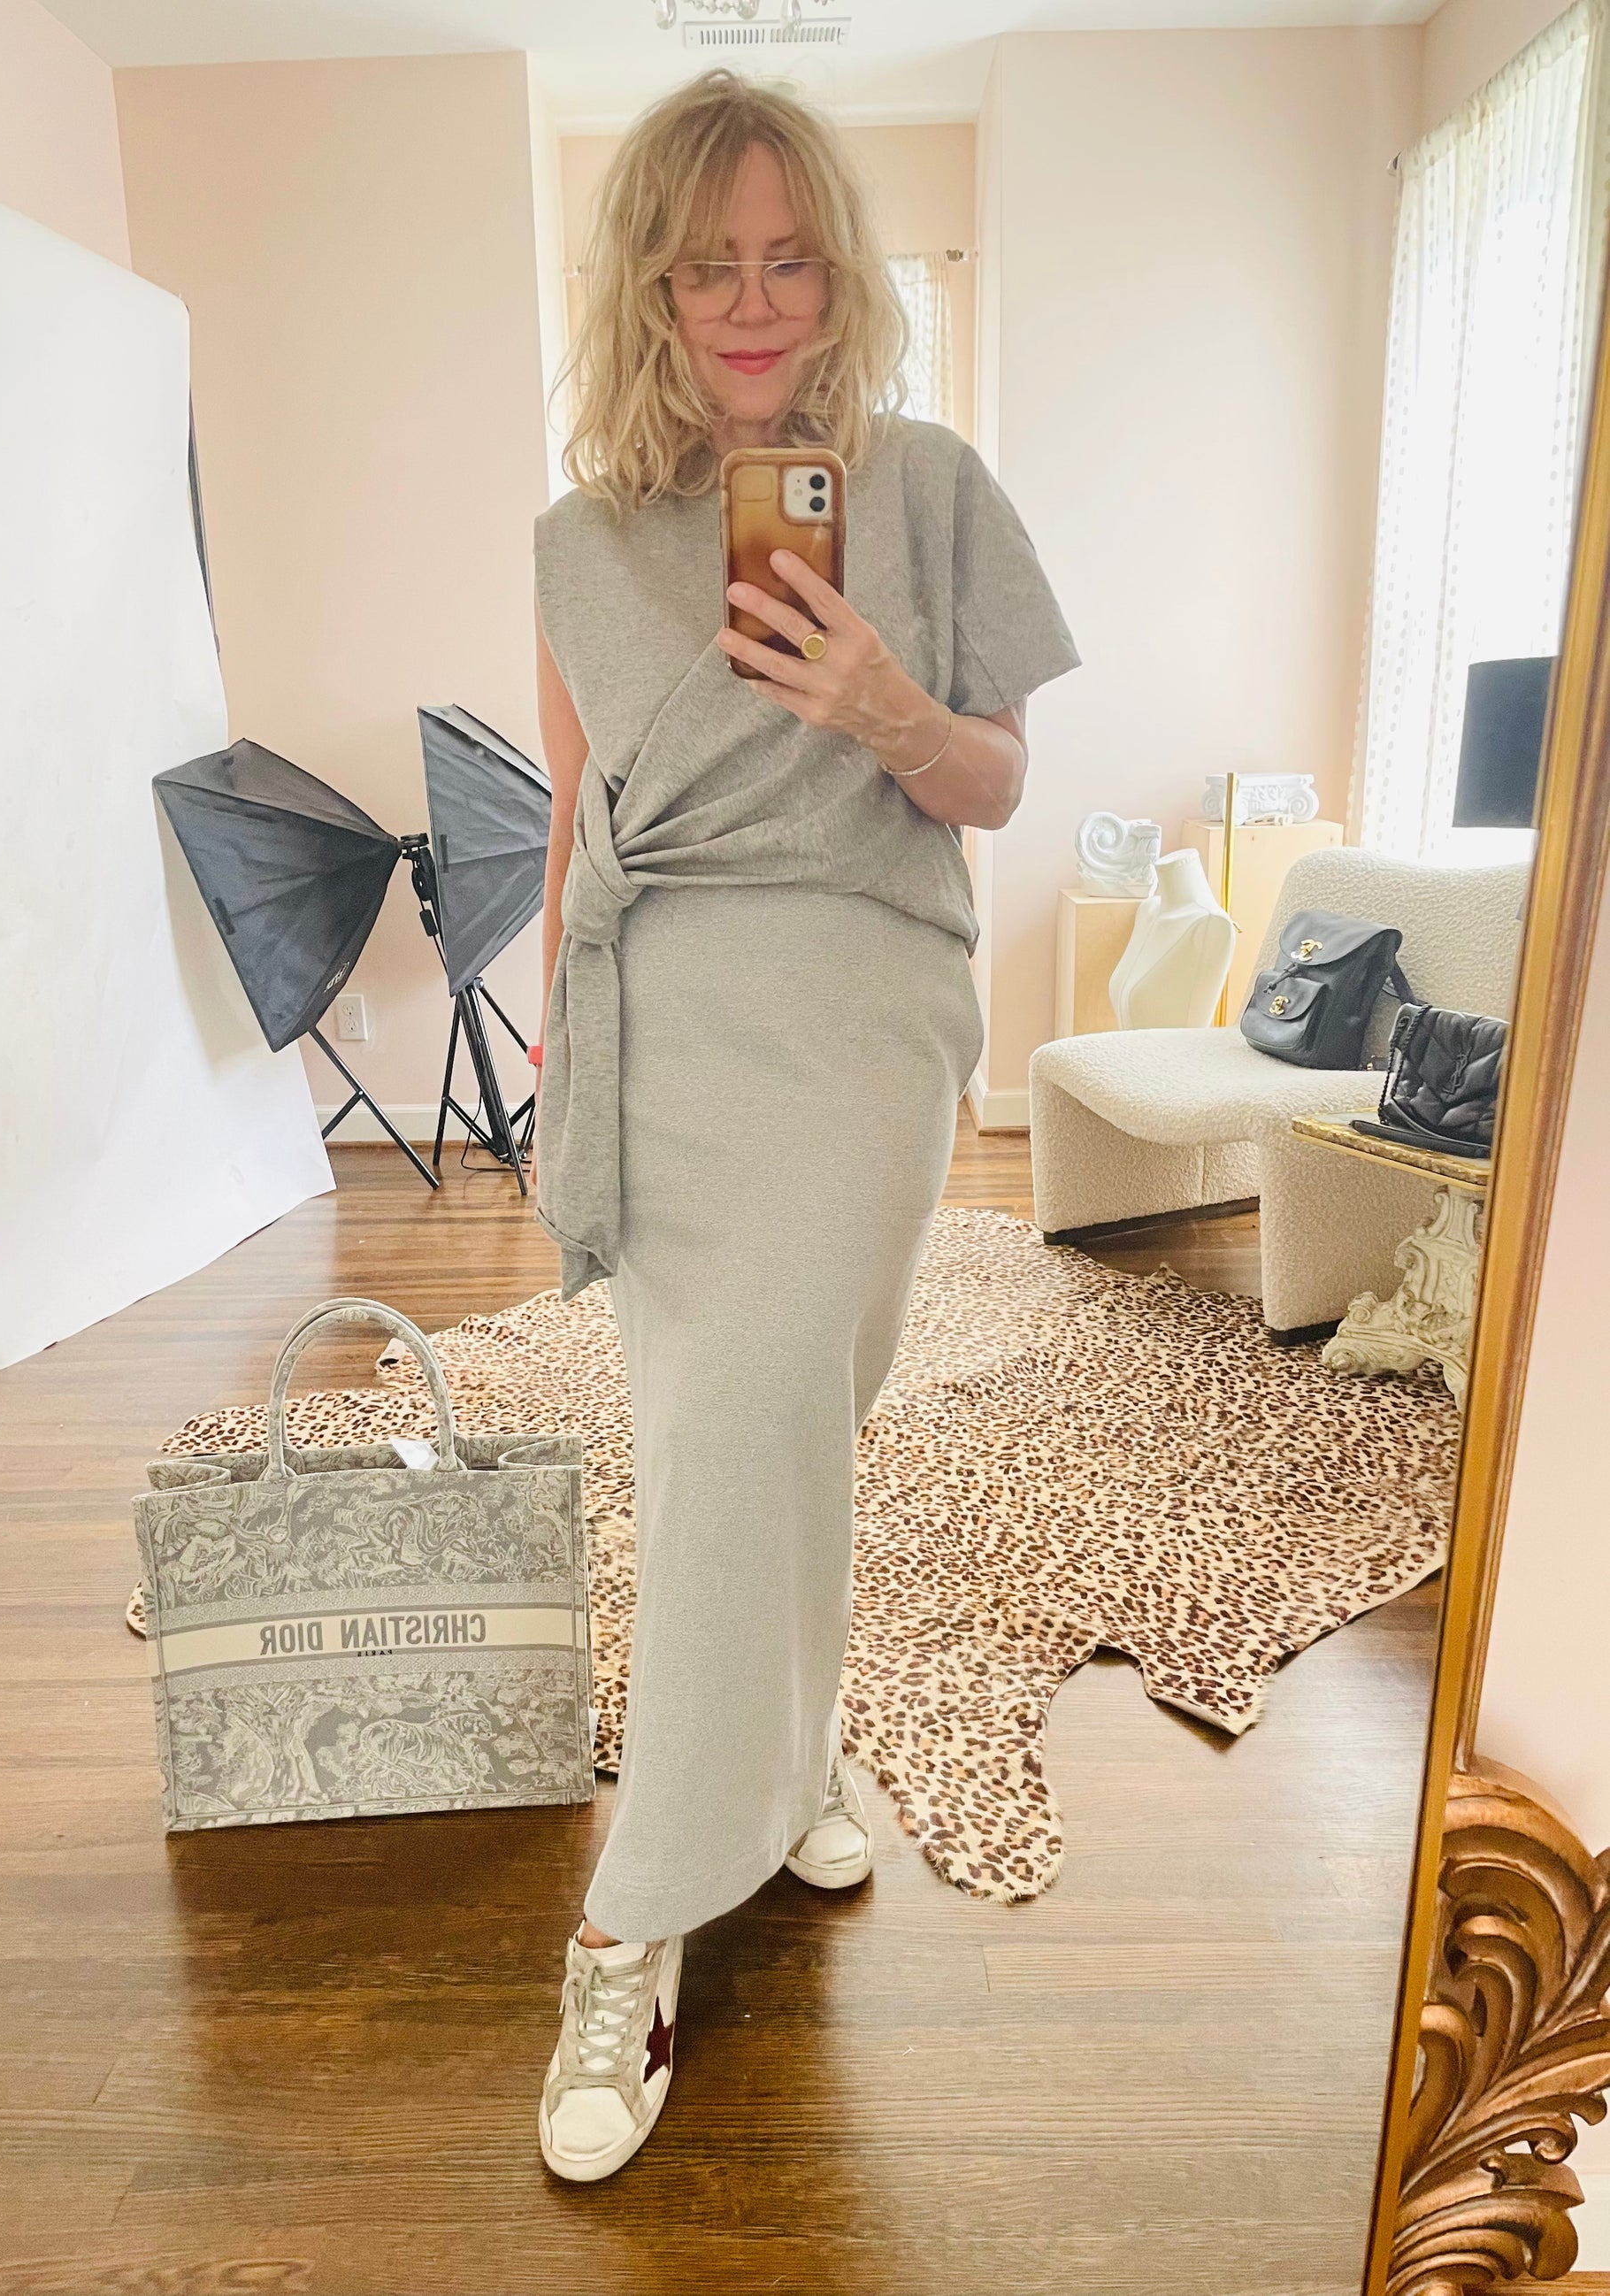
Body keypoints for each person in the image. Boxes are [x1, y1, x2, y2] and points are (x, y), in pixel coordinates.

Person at [528, 68, 1077, 2184]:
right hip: (665, 1017)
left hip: (859, 1012)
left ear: (840, 276)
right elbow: (578, 825)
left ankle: (730, 1813)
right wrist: (569, 1067)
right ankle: (650, 1904)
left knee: (780, 1404)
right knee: (729, 1432)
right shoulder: (578, 540)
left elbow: (996, 783)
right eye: (707, 267)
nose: (753, 303)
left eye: (788, 260)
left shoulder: (926, 489)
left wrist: (884, 708)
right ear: (650, 292)